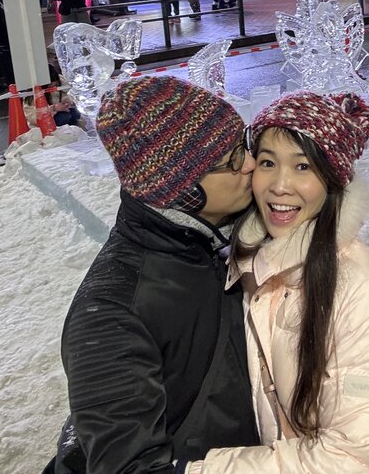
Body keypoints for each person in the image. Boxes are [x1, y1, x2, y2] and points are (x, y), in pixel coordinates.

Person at [187, 91, 369, 473]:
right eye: (268, 162)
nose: (280, 185)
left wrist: (198, 470)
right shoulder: (257, 262)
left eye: (302, 167)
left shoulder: (364, 292)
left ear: (332, 181)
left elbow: (349, 459)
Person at [45, 76, 260, 474]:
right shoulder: (112, 315)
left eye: (244, 143)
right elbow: (130, 466)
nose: (249, 163)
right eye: (232, 159)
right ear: (181, 188)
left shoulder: (220, 234)